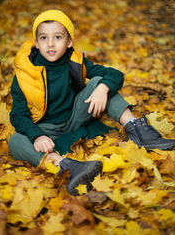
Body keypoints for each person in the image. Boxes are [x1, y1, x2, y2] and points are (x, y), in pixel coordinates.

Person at [9, 10, 175, 196]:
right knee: (15, 141)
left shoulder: (75, 62)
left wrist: (102, 89)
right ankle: (65, 165)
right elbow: (18, 115)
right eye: (43, 38)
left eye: (57, 37)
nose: (50, 44)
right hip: (46, 130)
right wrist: (37, 136)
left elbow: (114, 74)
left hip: (74, 117)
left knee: (99, 83)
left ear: (69, 42)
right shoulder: (25, 74)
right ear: (37, 43)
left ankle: (135, 129)